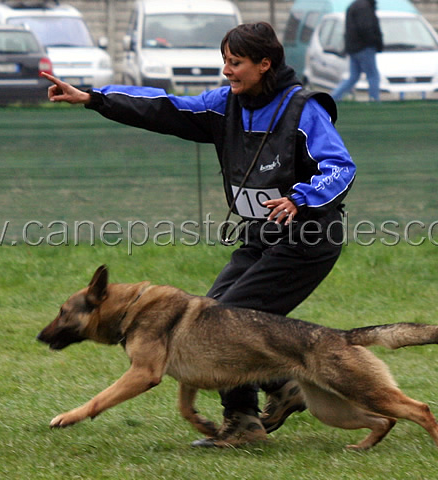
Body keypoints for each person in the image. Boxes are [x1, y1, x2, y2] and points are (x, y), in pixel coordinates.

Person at [42, 21, 356, 448]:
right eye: (224, 61)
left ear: (265, 64)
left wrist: (300, 199)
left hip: (308, 237)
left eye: (236, 63)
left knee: (223, 323)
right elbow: (164, 106)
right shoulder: (223, 105)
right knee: (211, 315)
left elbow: (340, 167)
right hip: (261, 234)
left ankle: (247, 419)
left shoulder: (304, 110)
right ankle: (281, 385)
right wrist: (94, 98)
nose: (227, 71)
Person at [331, 0, 383, 102]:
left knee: (353, 77)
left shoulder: (355, 6)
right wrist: (375, 42)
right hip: (364, 47)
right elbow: (366, 28)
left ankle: (333, 98)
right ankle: (374, 101)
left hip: (354, 48)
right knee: (373, 75)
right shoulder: (364, 7)